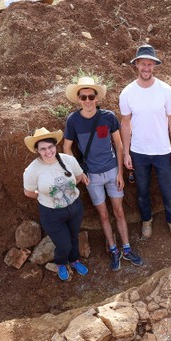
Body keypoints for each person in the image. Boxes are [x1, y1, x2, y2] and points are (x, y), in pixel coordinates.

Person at [63, 76, 143, 271]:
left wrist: (120, 173)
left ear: (97, 98)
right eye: (84, 97)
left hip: (112, 171)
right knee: (103, 215)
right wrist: (79, 173)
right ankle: (113, 250)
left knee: (119, 211)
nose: (88, 101)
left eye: (91, 97)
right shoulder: (73, 121)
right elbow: (66, 148)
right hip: (92, 176)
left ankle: (127, 248)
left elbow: (119, 145)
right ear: (78, 99)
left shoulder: (108, 117)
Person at [119, 44, 171, 239]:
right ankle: (146, 220)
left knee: (167, 191)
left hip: (163, 151)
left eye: (150, 64)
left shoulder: (165, 89)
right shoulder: (127, 93)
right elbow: (125, 123)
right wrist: (126, 153)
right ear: (136, 65)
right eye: (143, 64)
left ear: (154, 65)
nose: (146, 68)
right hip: (139, 152)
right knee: (142, 191)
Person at [22, 127, 89, 282]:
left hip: (74, 207)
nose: (48, 151)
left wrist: (66, 190)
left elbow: (79, 176)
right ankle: (60, 263)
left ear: (55, 146)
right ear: (37, 150)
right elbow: (29, 192)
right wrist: (47, 196)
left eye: (50, 147)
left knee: (73, 237)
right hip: (51, 213)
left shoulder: (68, 160)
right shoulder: (32, 170)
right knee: (64, 244)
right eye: (43, 149)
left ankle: (74, 260)